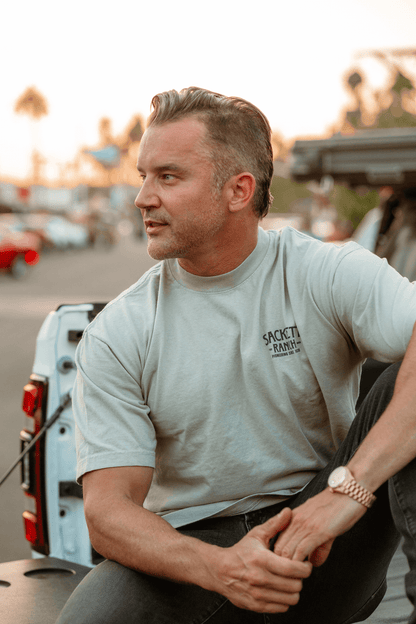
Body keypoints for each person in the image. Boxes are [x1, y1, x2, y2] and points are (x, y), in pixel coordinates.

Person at [57, 87, 416, 624]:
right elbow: (109, 511)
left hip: (324, 535)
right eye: (143, 176)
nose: (142, 198)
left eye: (168, 177)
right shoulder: (119, 331)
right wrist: (221, 568)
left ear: (238, 190)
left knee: (401, 386)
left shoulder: (323, 271)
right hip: (192, 549)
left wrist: (347, 492)